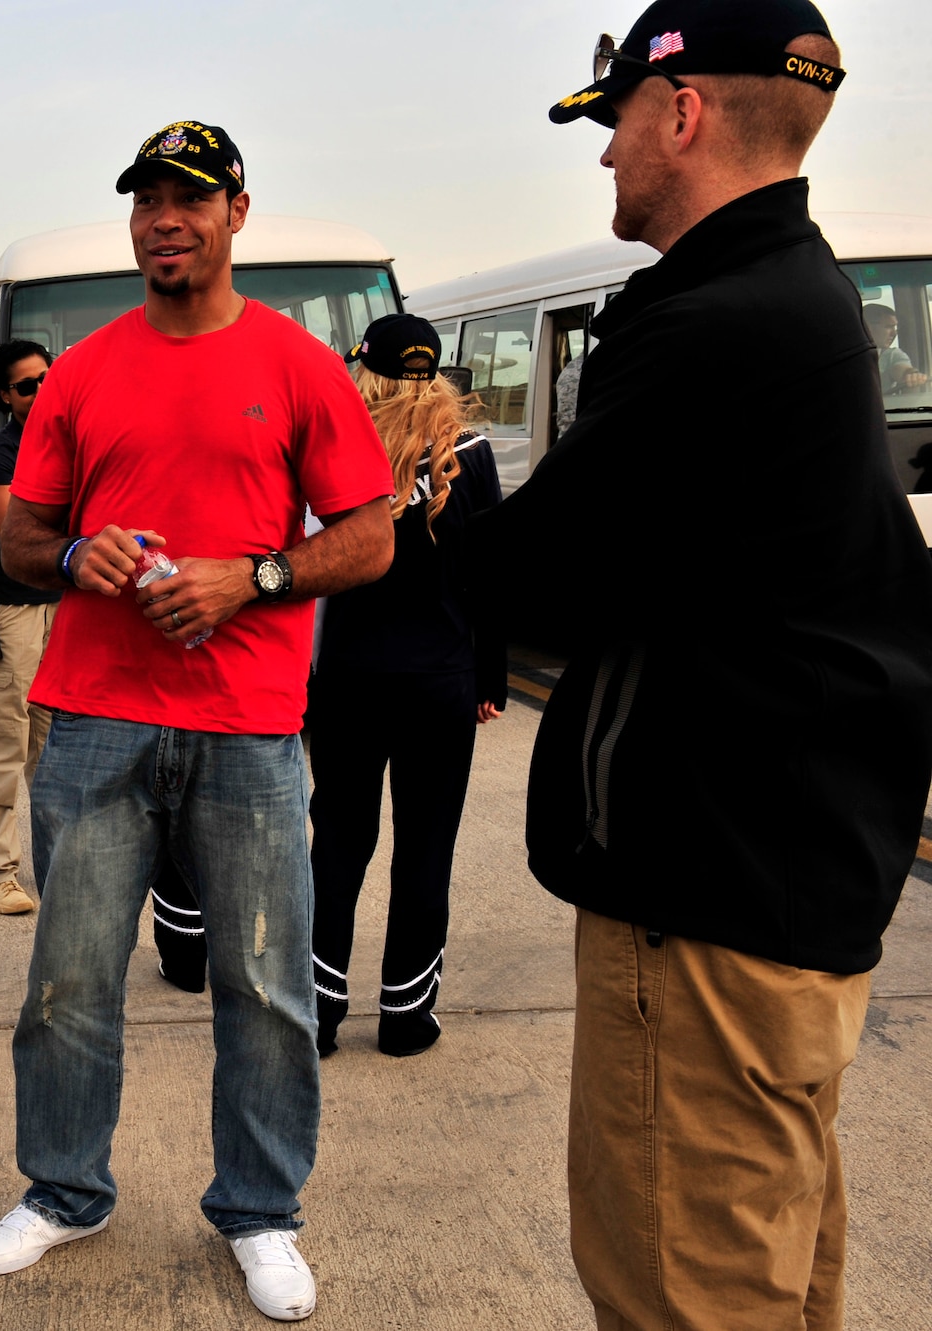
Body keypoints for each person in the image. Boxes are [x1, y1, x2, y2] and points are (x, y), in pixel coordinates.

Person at [477, 4, 932, 1326]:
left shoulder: (713, 322)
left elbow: (530, 578)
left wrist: (391, 528)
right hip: (787, 883)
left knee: (685, 1289)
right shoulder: (805, 294)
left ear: (680, 113)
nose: (605, 154)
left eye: (614, 120)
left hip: (707, 903)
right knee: (774, 1277)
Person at [0, 121, 395, 1323]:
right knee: (68, 978)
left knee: (262, 986)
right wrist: (74, 552)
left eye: (189, 198)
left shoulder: (297, 365)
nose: (165, 217)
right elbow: (18, 539)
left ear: (235, 214)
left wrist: (248, 577)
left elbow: (368, 537)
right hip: (93, 720)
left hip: (248, 727)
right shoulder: (88, 369)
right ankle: (62, 1189)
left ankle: (260, 1210)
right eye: (147, 198)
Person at [307, 314, 507, 1060]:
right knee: (427, 844)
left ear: (365, 368)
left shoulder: (340, 445)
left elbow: (308, 565)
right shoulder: (470, 454)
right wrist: (491, 676)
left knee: (339, 841)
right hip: (440, 683)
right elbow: (491, 578)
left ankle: (320, 1008)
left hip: (351, 680)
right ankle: (406, 1015)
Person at [0, 338, 60, 915]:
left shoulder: (69, 439)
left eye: (48, 378)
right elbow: (16, 538)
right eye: (28, 385)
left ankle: (57, 866)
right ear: (5, 395)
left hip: (62, 605)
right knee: (2, 741)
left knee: (55, 748)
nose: (42, 391)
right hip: (9, 609)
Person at [861, 303, 928, 395]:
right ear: (867, 327)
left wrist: (912, 375)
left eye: (895, 327)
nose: (894, 333)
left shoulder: (892, 355)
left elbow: (904, 371)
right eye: (888, 327)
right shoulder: (843, 355)